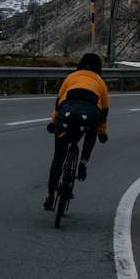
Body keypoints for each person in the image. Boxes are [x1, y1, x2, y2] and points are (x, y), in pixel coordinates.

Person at [44, 52, 109, 210]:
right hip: (89, 117)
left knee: (58, 158)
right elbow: (104, 113)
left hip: (66, 116)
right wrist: (102, 133)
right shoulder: (101, 83)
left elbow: (59, 104)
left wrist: (53, 123)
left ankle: (50, 196)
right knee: (91, 133)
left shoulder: (71, 77)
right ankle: (83, 163)